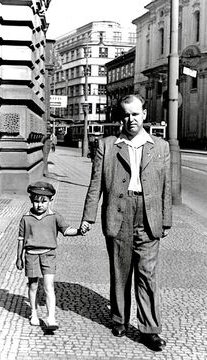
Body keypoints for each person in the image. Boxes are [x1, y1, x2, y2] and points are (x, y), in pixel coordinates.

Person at [81, 94, 172, 351]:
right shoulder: (107, 145)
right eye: (126, 114)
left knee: (147, 274)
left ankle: (150, 329)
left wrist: (165, 220)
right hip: (118, 213)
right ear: (120, 117)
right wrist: (87, 217)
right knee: (120, 271)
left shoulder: (160, 146)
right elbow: (95, 184)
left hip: (148, 214)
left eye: (135, 113)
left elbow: (166, 186)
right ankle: (119, 319)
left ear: (144, 114)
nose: (130, 119)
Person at [16, 181, 82, 330]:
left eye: (43, 202)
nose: (39, 205)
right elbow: (21, 239)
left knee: (49, 286)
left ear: (50, 201)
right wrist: (18, 257)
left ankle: (51, 317)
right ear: (31, 200)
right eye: (36, 201)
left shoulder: (55, 217)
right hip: (31, 255)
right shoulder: (26, 218)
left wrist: (79, 231)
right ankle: (33, 312)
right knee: (33, 285)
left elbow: (66, 230)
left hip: (48, 255)